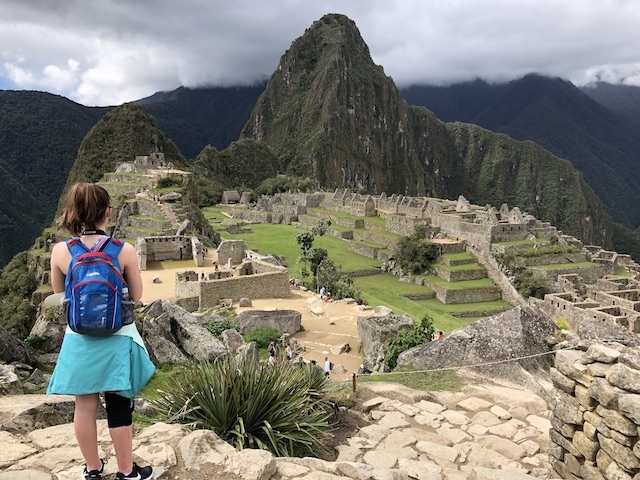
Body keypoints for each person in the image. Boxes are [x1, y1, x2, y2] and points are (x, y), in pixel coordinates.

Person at [46, 183, 155, 480]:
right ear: (108, 212)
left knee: (84, 406)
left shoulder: (60, 251)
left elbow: (60, 295)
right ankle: (126, 471)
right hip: (117, 337)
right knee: (120, 405)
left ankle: (93, 470)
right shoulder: (124, 250)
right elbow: (138, 294)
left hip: (79, 339)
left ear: (73, 213)